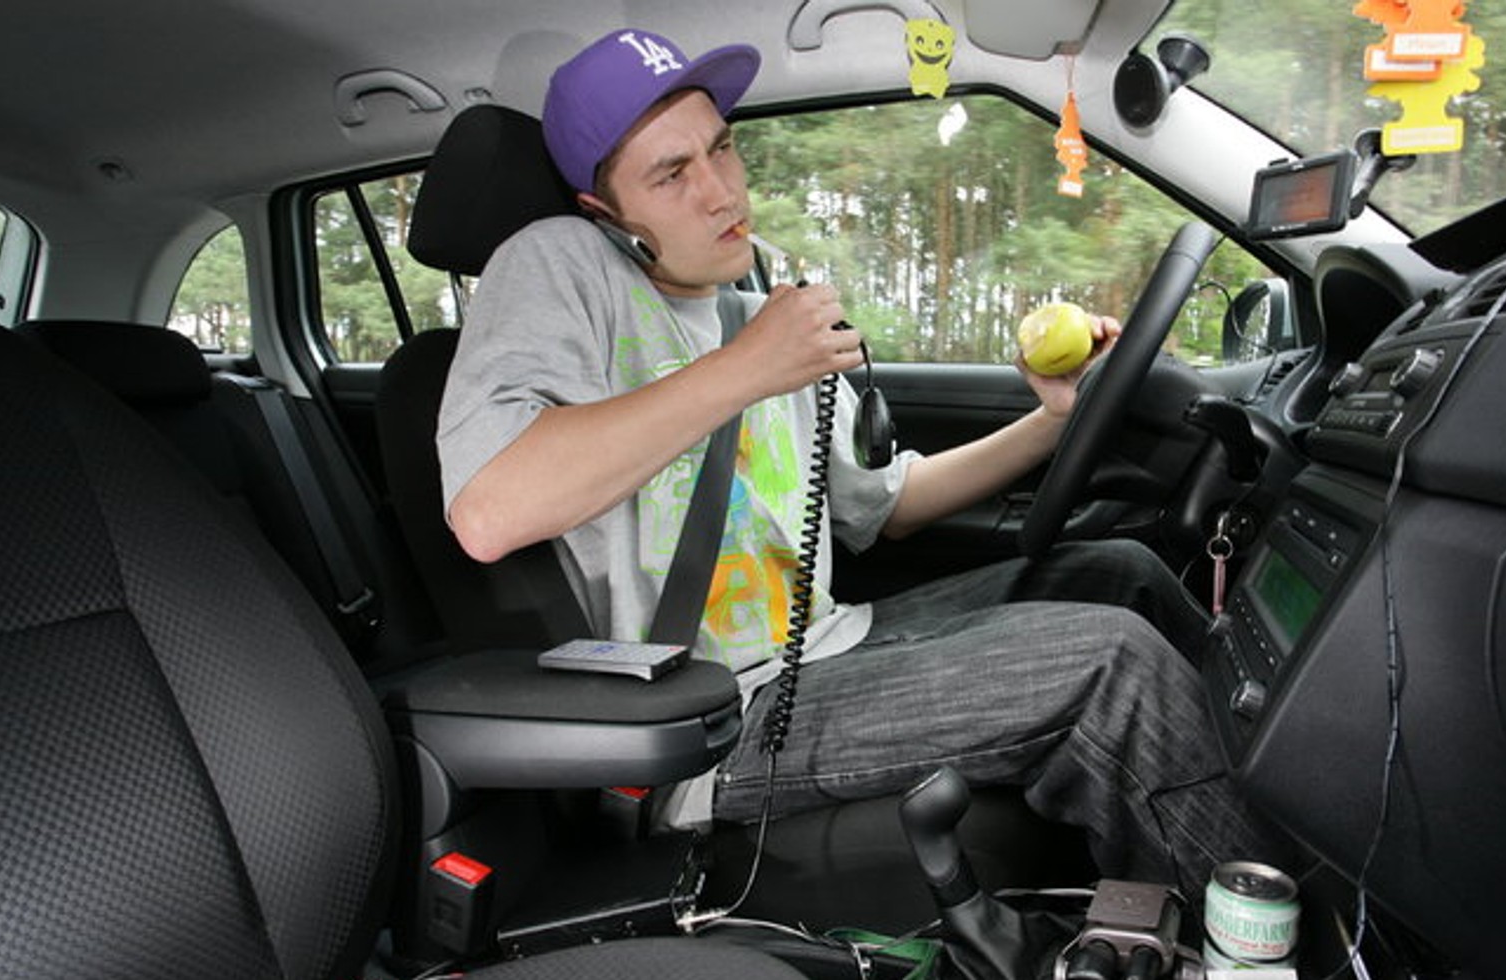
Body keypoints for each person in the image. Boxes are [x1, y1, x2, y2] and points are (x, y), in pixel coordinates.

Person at [436, 27, 1286, 891]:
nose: (722, 190)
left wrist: (1052, 421)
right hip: (708, 720)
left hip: (830, 645)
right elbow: (489, 510)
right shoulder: (558, 265)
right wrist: (746, 370)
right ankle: (1273, 922)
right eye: (671, 174)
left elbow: (888, 505)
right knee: (1112, 666)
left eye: (721, 148)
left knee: (1124, 573)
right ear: (604, 213)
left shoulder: (751, 314)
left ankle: (1294, 810)